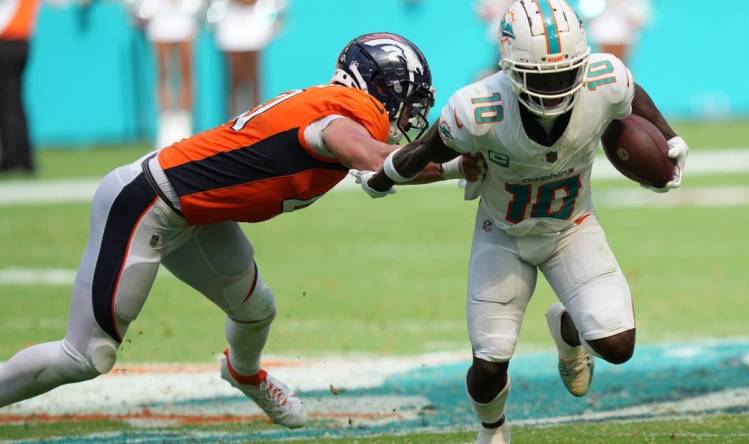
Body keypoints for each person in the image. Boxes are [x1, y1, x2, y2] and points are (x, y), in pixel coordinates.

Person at [0, 32, 477, 429]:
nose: (409, 117)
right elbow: (375, 161)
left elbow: (375, 167)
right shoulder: (342, 114)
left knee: (256, 311)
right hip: (147, 202)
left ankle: (244, 375)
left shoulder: (336, 109)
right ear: (378, 88)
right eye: (407, 101)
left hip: (195, 214)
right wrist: (458, 166)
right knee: (86, 357)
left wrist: (448, 167)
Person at [355, 2, 688, 443]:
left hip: (573, 228)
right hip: (504, 235)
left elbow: (633, 94)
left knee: (618, 346)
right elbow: (427, 149)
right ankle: (492, 430)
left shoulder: (604, 78)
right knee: (490, 362)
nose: (553, 88)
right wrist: (381, 177)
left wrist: (669, 137)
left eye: (565, 73)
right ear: (510, 68)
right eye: (540, 77)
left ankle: (569, 329)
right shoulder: (478, 107)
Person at [130, 0, 204, 148]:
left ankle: (185, 124)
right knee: (162, 74)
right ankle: (166, 126)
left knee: (186, 74)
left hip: (185, 17)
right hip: (160, 18)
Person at [209, 0, 286, 117]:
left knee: (254, 79)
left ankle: (256, 122)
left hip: (256, 20)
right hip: (230, 22)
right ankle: (233, 124)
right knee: (234, 79)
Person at [0, 0, 42, 174]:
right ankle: (23, 158)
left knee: (8, 103)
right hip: (22, 41)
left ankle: (14, 159)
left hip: (8, 40)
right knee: (14, 102)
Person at [582, 0, 651, 63]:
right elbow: (587, 14)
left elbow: (640, 17)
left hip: (625, 37)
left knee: (621, 69)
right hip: (602, 35)